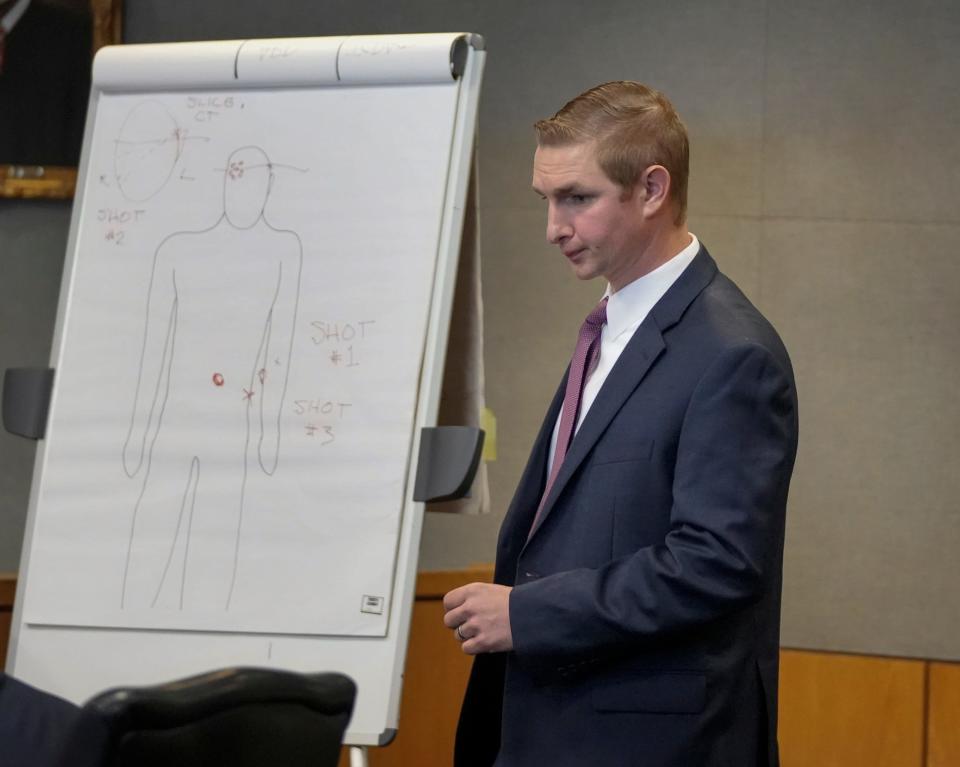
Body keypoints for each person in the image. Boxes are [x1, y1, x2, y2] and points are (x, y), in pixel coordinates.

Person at [443, 81, 798, 767]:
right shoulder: (612, 330)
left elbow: (716, 563)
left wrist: (527, 613)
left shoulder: (733, 354)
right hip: (549, 726)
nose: (553, 227)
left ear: (652, 189)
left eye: (577, 197)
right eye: (545, 200)